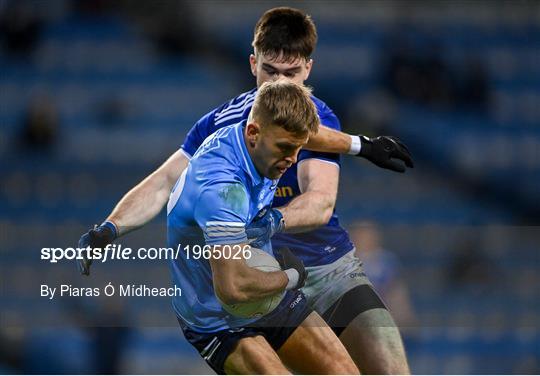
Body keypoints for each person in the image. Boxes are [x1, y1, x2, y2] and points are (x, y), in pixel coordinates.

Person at [78, 7, 412, 374]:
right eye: (270, 72)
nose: (279, 85)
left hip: (325, 268)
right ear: (253, 64)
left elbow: (320, 202)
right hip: (247, 281)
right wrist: (111, 226)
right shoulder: (220, 141)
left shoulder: (311, 117)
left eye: (291, 74)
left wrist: (360, 145)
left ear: (308, 70)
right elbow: (162, 181)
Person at [170, 80, 358, 374]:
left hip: (264, 289)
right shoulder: (222, 190)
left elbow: (307, 137)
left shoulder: (263, 141)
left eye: (298, 149)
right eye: (286, 148)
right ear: (253, 133)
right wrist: (292, 276)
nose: (292, 160)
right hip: (218, 318)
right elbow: (233, 289)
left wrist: (363, 145)